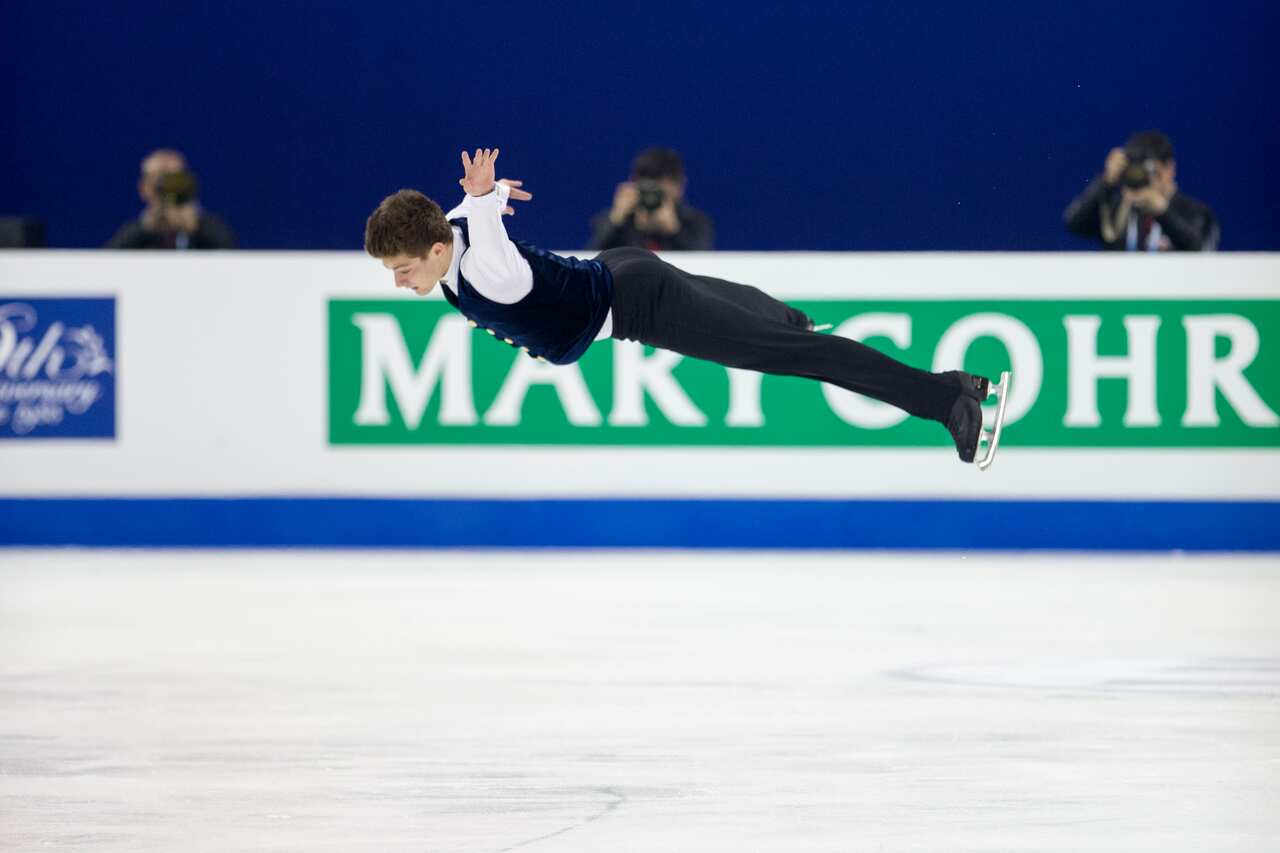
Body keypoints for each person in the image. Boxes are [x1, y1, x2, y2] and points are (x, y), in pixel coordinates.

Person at [364, 149, 1010, 466]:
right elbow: (459, 217)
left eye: (404, 269)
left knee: (798, 357)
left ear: (439, 248)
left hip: (637, 301)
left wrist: (484, 201)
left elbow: (491, 246)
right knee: (774, 332)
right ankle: (952, 384)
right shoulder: (447, 236)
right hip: (620, 271)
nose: (400, 282)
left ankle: (947, 402)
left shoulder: (483, 267)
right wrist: (488, 194)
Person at [1063, 130, 1218, 251]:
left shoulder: (1194, 212)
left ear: (1170, 168)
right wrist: (1106, 181)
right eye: (1136, 171)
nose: (1145, 179)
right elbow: (1074, 224)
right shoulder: (1117, 209)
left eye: (1153, 172)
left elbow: (1202, 251)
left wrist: (1163, 214)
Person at [106, 148, 238, 250]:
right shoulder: (132, 232)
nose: (168, 189)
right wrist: (145, 229)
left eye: (175, 180)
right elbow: (105, 263)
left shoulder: (210, 227)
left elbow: (235, 259)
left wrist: (197, 228)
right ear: (143, 188)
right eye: (159, 181)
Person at [588, 147, 715, 251]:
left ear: (680, 186)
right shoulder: (613, 221)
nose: (652, 195)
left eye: (659, 192)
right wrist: (615, 223)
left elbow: (704, 266)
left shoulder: (696, 223)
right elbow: (591, 264)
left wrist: (675, 231)